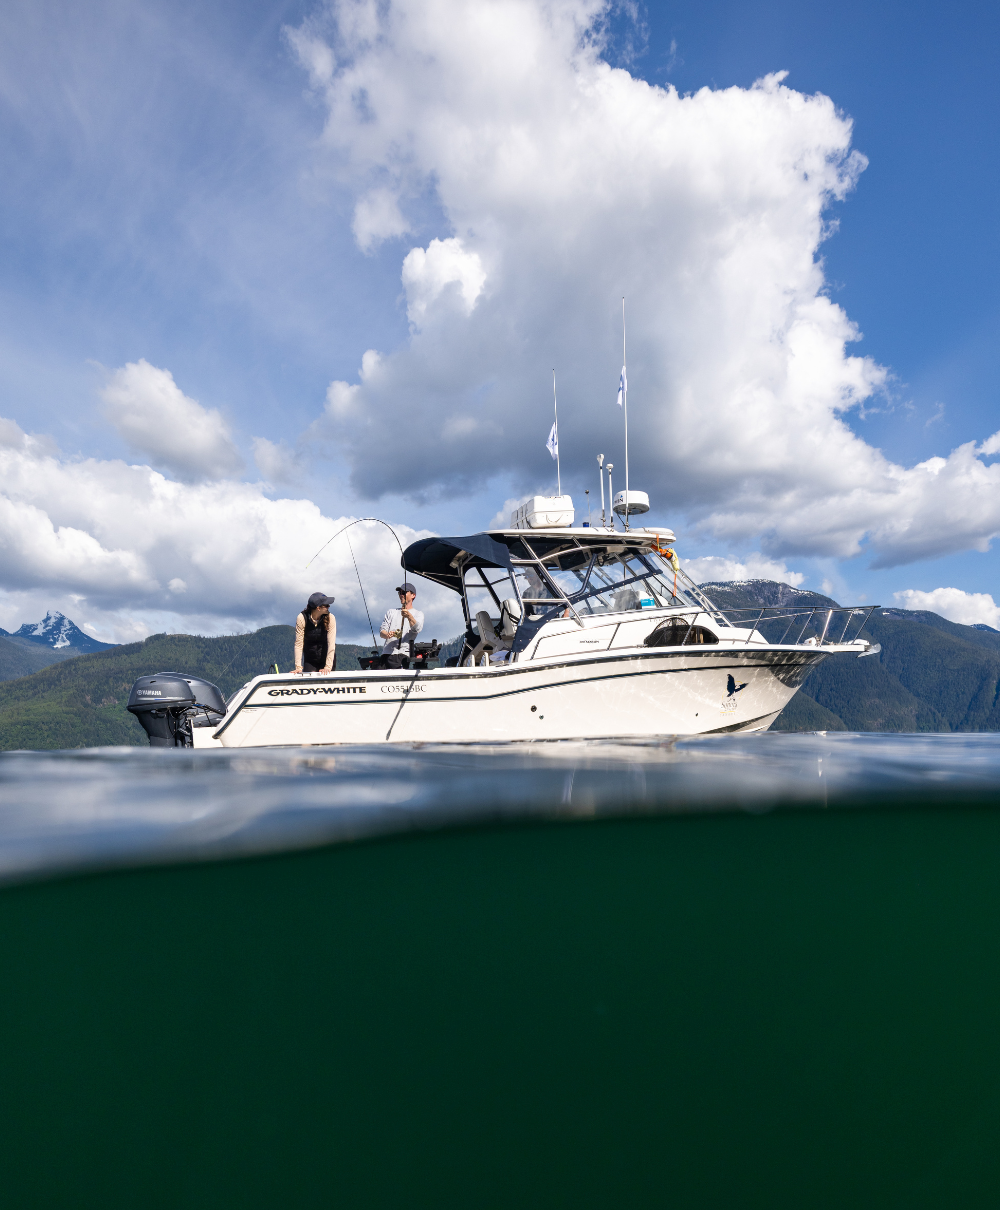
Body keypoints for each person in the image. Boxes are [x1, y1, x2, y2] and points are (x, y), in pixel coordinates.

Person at [379, 583, 424, 669]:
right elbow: (382, 632)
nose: (401, 595)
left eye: (404, 592)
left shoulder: (418, 614)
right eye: (400, 593)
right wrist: (387, 634)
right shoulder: (391, 612)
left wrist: (408, 616)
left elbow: (417, 629)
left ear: (413, 595)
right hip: (386, 653)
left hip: (401, 655)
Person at [294, 592, 336, 674]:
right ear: (318, 608)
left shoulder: (331, 618)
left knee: (326, 680)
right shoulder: (301, 618)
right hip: (310, 659)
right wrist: (298, 667)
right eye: (326, 605)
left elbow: (331, 643)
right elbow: (298, 644)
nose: (329, 607)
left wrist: (327, 667)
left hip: (326, 657)